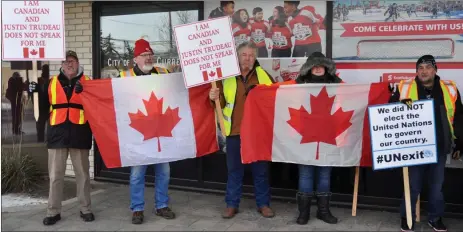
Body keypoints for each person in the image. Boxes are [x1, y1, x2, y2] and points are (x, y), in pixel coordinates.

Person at [77, 38, 174, 225]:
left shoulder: (164, 73)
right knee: (137, 173)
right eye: (144, 55)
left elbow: (178, 91)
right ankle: (137, 208)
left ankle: (161, 205)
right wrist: (85, 90)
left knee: (164, 171)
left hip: (161, 132)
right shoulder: (124, 77)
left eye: (150, 54)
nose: (148, 58)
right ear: (135, 58)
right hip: (138, 134)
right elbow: (106, 94)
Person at [390, 55, 463, 232]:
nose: (424, 71)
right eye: (420, 68)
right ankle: (406, 217)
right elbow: (391, 110)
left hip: (439, 147)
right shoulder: (405, 87)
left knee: (436, 187)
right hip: (414, 147)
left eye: (428, 67)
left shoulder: (450, 88)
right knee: (412, 186)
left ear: (435, 70)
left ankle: (435, 218)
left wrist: (460, 143)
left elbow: (459, 117)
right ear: (417, 71)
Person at [209, 41, 276, 219]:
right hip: (234, 132)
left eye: (251, 55)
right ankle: (232, 204)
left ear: (255, 57)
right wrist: (213, 97)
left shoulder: (265, 76)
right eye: (244, 55)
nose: (248, 58)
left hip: (258, 133)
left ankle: (263, 204)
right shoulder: (226, 77)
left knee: (260, 171)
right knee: (234, 171)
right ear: (237, 57)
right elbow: (220, 104)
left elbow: (275, 100)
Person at [29, 50, 94, 225]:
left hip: (80, 134)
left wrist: (86, 92)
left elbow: (97, 106)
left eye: (72, 61)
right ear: (61, 65)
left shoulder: (88, 83)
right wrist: (33, 91)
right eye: (66, 61)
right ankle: (53, 211)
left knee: (83, 175)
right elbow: (42, 109)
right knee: (56, 176)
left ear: (78, 63)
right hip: (57, 135)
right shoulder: (50, 83)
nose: (69, 64)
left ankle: (85, 208)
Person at [292, 52, 341, 225]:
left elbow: (355, 97)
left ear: (327, 67)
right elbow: (278, 92)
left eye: (321, 65)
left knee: (324, 175)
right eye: (314, 65)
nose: (318, 68)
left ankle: (323, 211)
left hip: (328, 135)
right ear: (309, 68)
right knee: (305, 174)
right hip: (305, 136)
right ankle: (303, 213)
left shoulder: (337, 84)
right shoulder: (298, 84)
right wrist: (259, 91)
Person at [37, 64, 50, 142]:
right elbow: (33, 93)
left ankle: (50, 140)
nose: (45, 71)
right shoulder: (38, 80)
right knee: (40, 126)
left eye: (46, 70)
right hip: (40, 107)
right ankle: (40, 140)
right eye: (44, 70)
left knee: (50, 126)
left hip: (49, 107)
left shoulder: (52, 81)